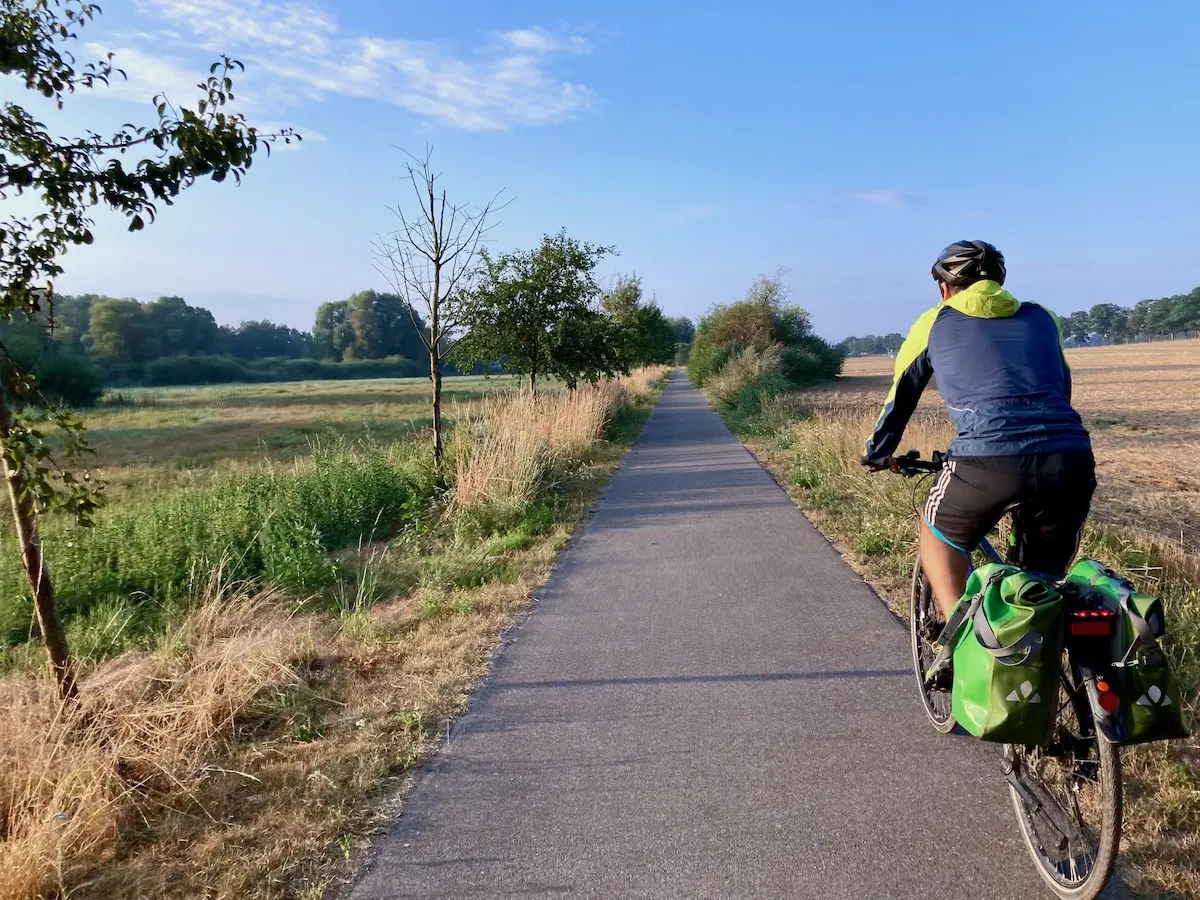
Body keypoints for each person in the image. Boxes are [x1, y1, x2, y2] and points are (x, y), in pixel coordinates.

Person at [861, 240, 1095, 619]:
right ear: (1000, 282)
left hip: (986, 460)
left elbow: (900, 397)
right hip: (1069, 459)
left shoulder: (935, 320)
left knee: (936, 533)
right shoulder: (1044, 318)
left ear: (944, 287)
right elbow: (1060, 390)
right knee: (1041, 585)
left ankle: (957, 639)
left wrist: (878, 453)